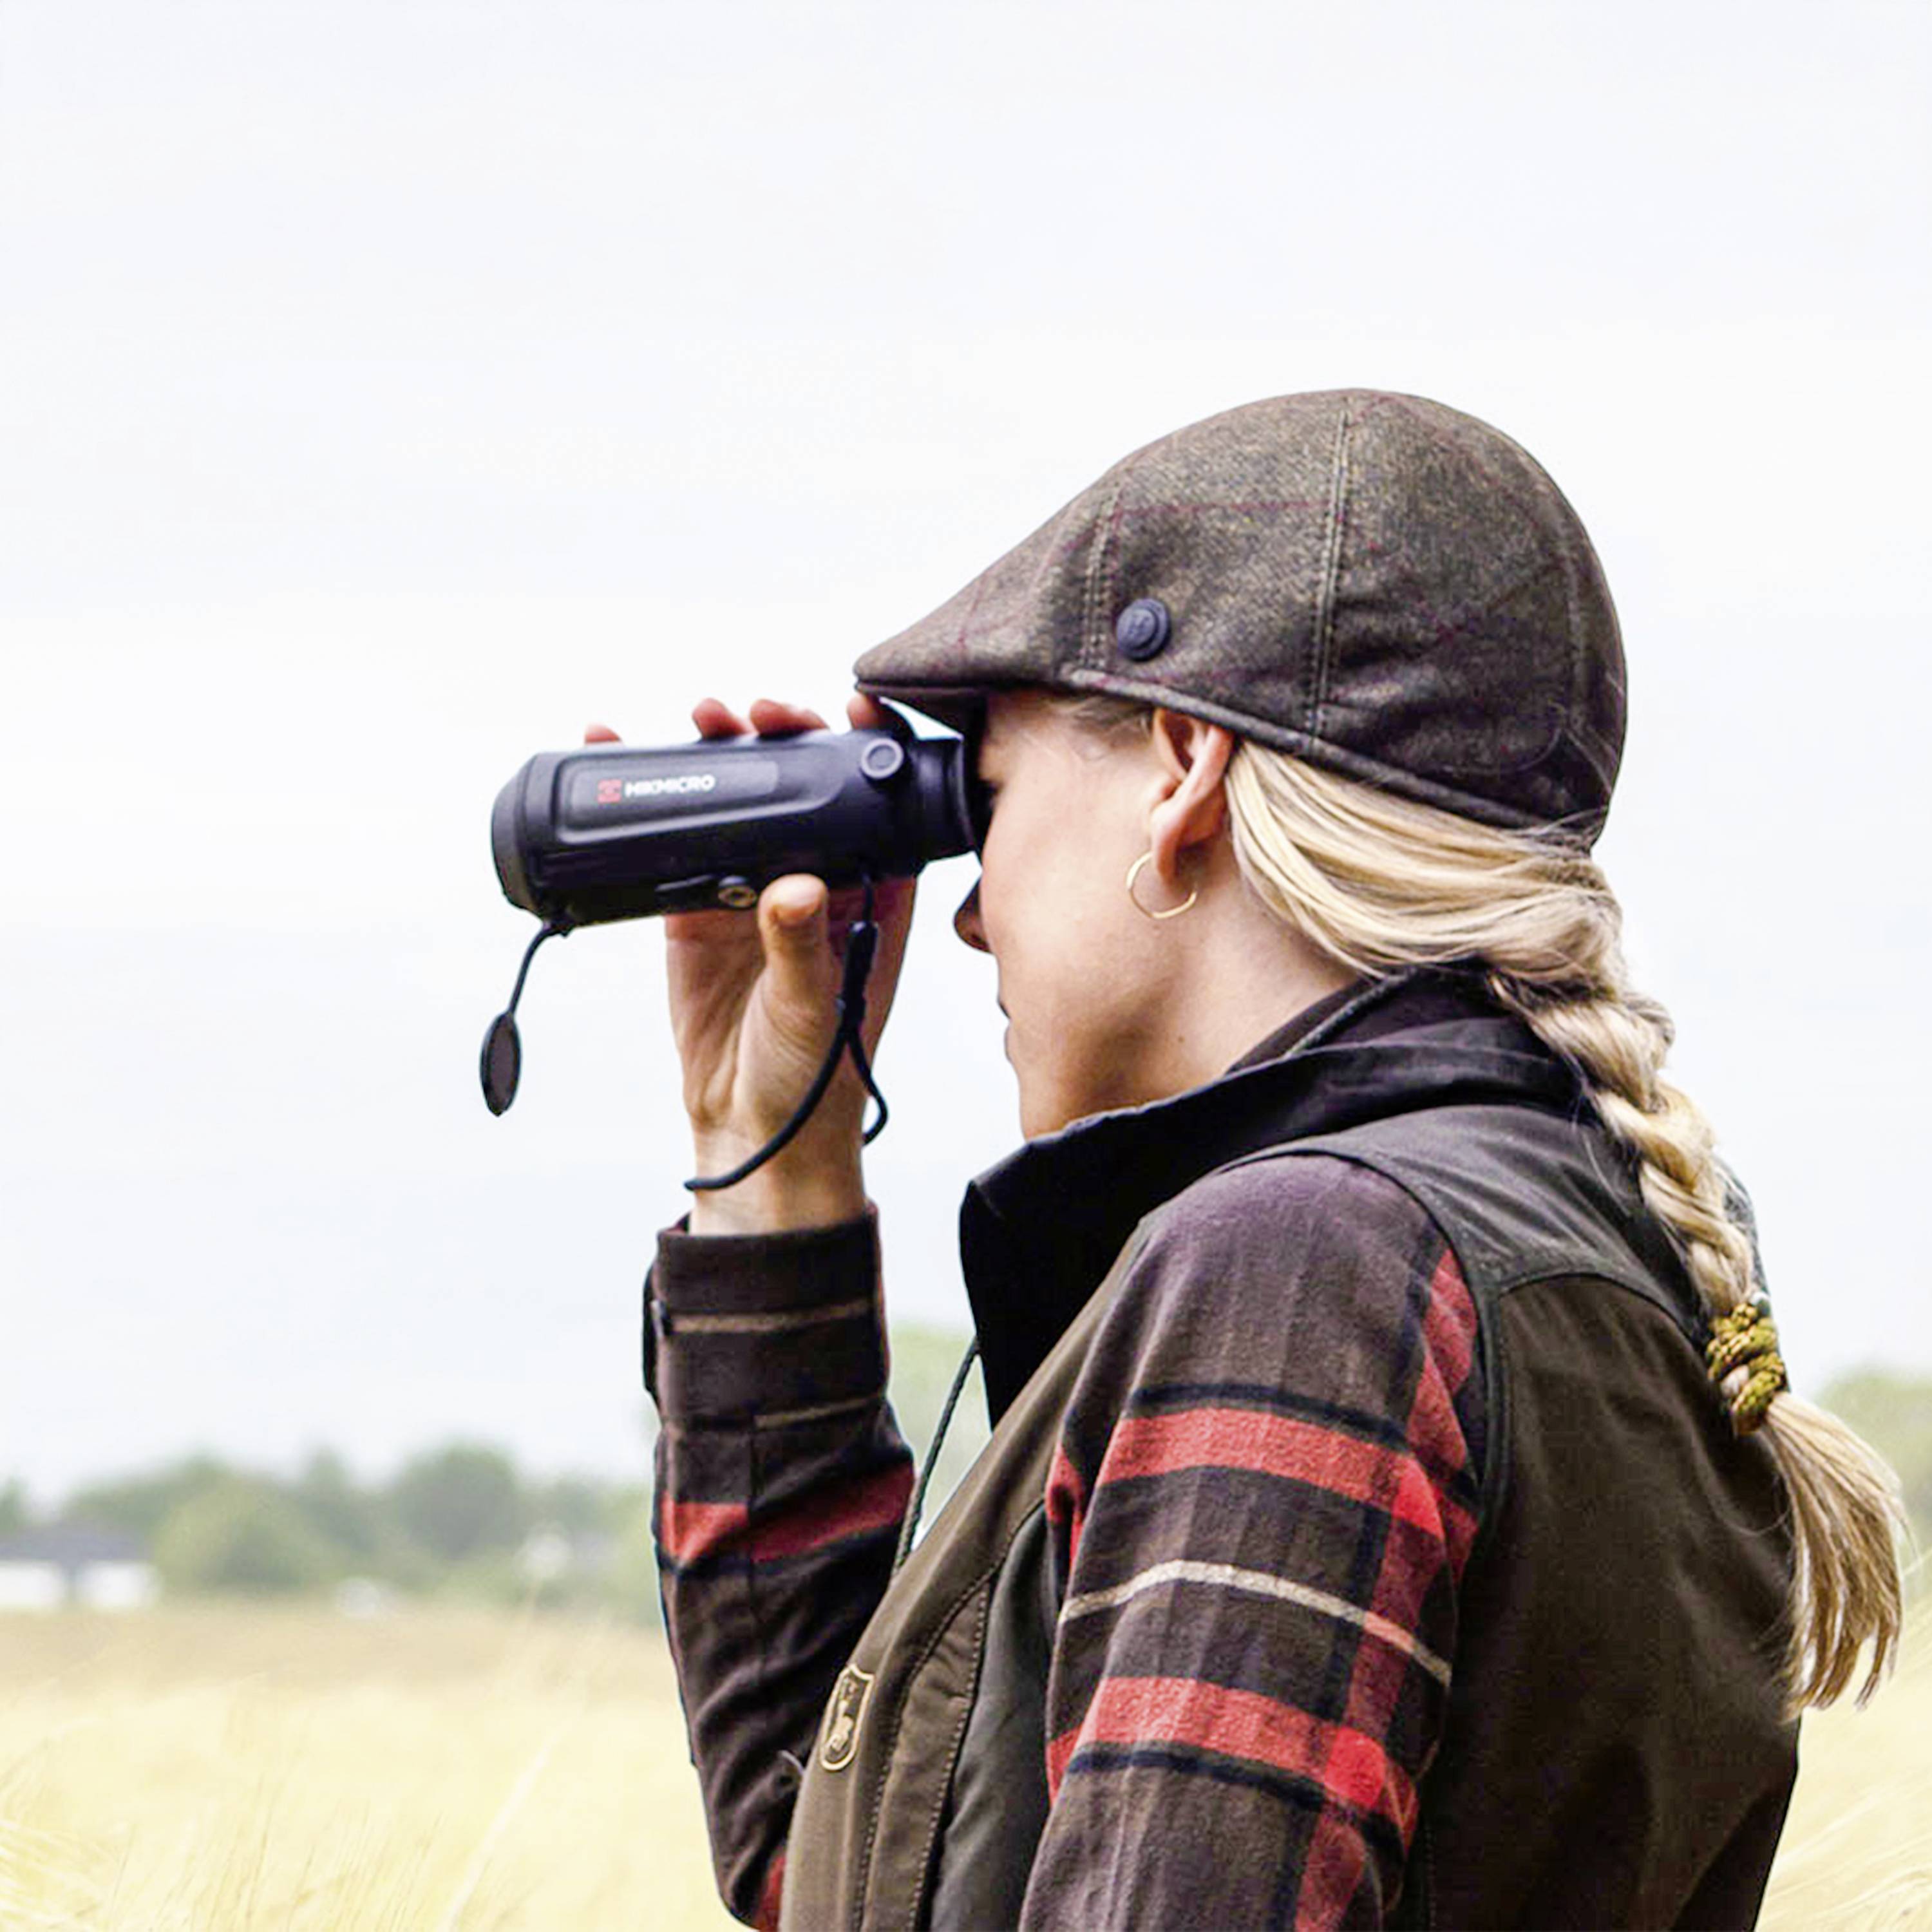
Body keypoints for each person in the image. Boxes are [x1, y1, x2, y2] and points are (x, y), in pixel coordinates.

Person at [638, 392, 1904, 1929]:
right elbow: (839, 1867)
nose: (968, 909)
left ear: (1182, 767)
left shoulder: (1313, 1266)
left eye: (990, 797)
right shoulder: (1565, 1235)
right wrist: (772, 1153)